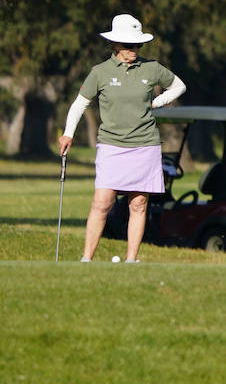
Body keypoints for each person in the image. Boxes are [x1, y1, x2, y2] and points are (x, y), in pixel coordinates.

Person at [58, 14, 186, 263]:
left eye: (138, 45)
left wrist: (156, 103)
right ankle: (86, 259)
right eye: (129, 46)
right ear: (115, 44)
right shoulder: (100, 72)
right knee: (102, 202)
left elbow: (179, 86)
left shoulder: (151, 68)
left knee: (138, 204)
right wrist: (68, 134)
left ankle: (131, 260)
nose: (134, 50)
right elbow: (79, 105)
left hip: (145, 144)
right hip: (111, 144)